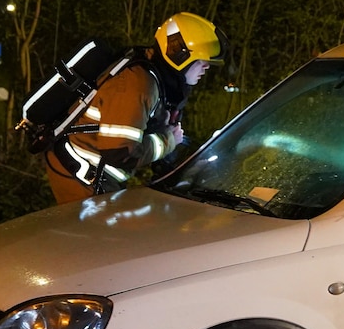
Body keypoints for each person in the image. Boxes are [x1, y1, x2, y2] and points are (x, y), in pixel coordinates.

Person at [45, 12, 227, 204]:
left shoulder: (154, 79)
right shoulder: (138, 85)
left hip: (93, 178)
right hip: (80, 178)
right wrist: (168, 141)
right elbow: (120, 153)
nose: (206, 67)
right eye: (202, 61)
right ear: (180, 55)